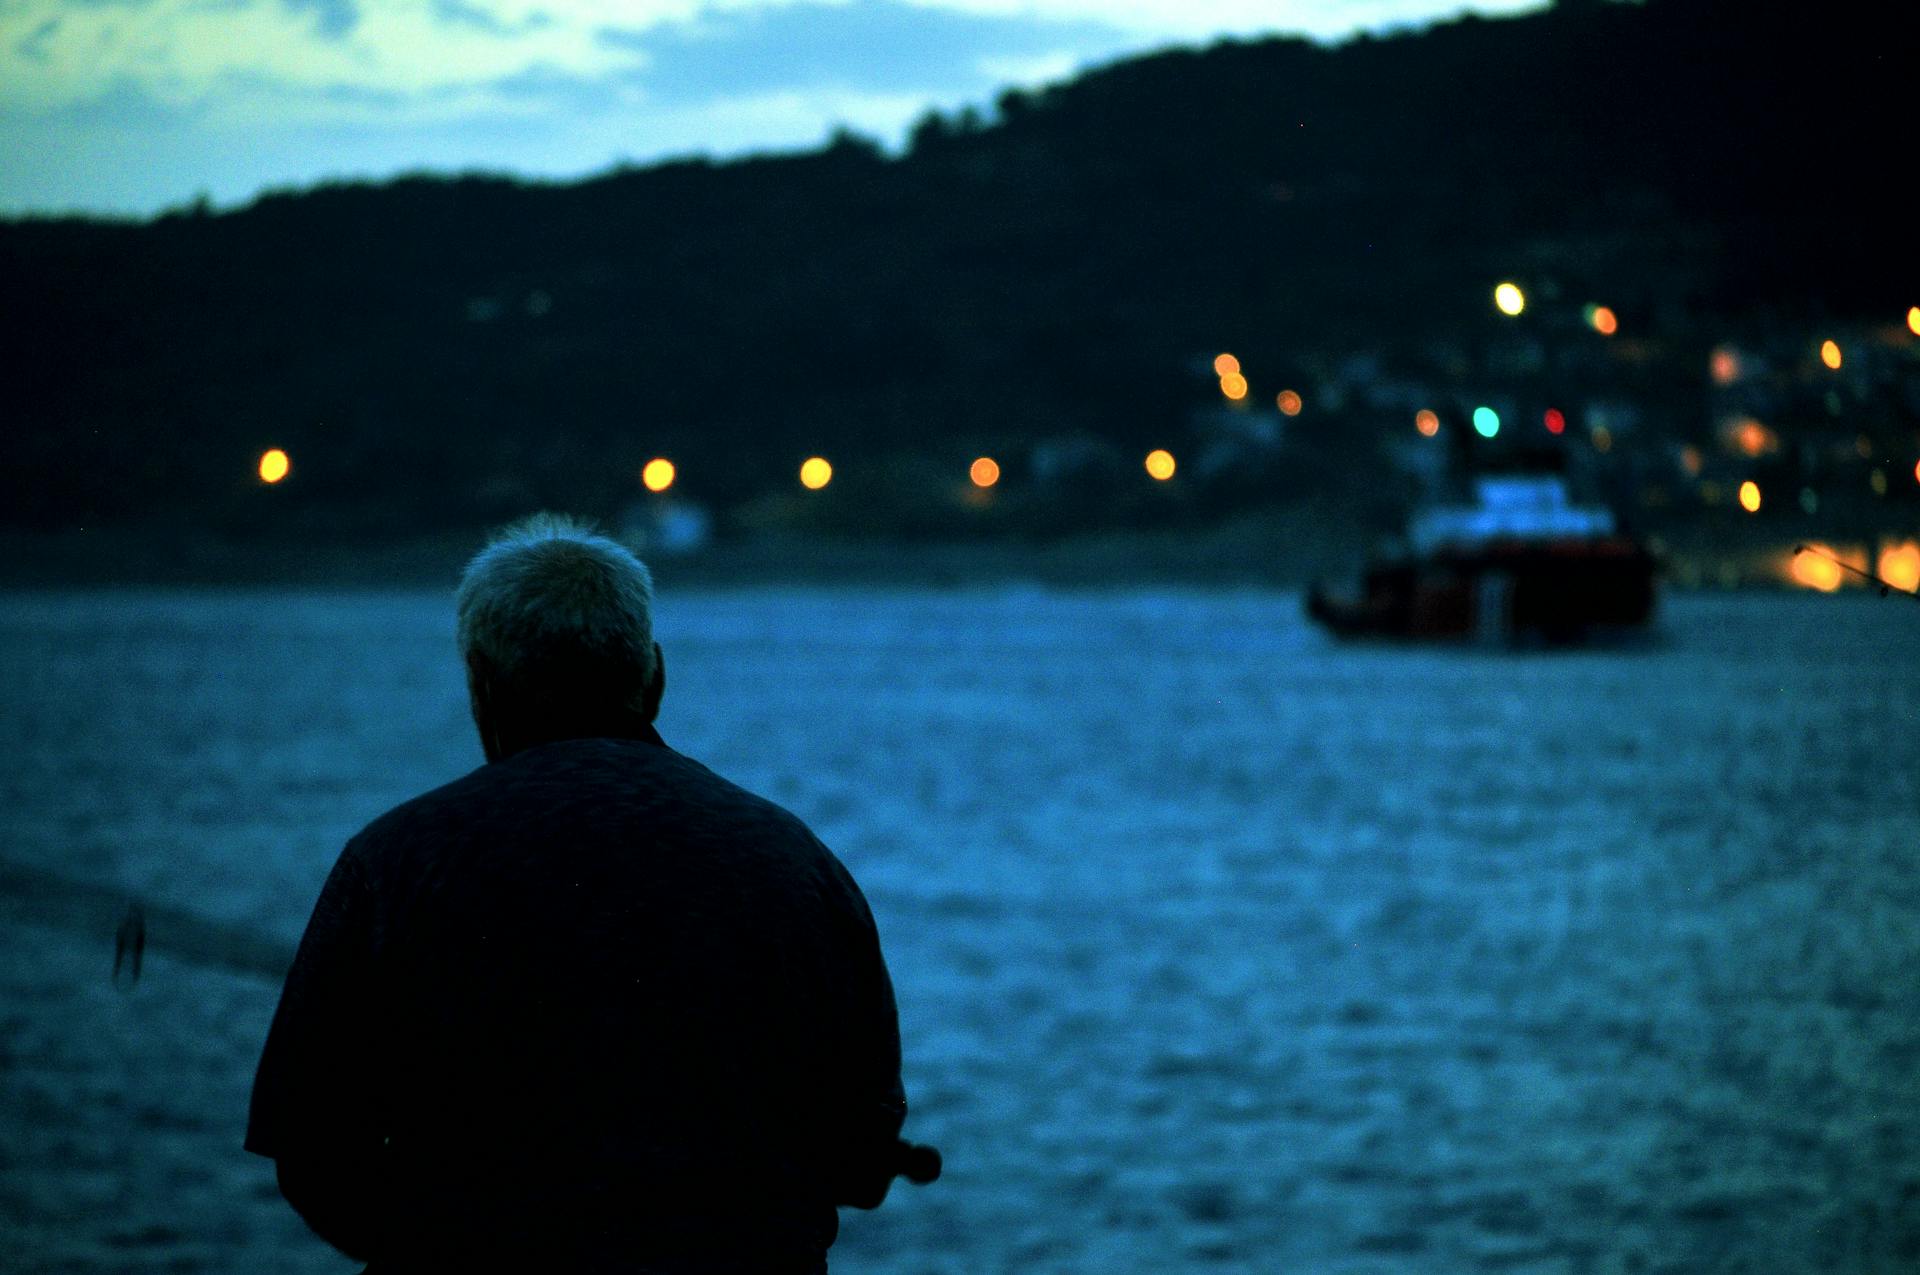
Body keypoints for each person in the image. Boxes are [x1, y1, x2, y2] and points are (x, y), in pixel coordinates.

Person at [246, 513, 930, 1273]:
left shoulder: (394, 861)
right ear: (655, 675)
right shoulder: (798, 862)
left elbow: (309, 1152)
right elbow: (863, 1157)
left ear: (481, 680)